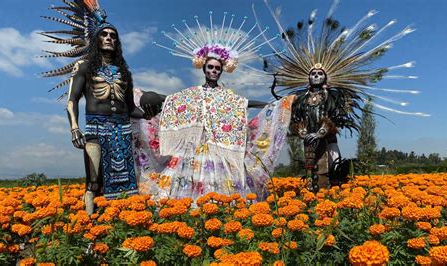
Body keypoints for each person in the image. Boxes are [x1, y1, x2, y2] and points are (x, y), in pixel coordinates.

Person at [258, 2, 426, 191]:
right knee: (309, 169)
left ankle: (325, 195)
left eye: (319, 74)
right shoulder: (302, 98)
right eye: (313, 74)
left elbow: (337, 115)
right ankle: (311, 195)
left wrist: (322, 131)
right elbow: (294, 114)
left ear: (326, 78)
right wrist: (302, 130)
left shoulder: (332, 97)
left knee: (326, 169)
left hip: (325, 139)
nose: (315, 76)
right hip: (308, 140)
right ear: (307, 79)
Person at [134, 12, 294, 201]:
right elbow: (170, 99)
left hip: (220, 149)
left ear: (221, 71)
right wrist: (142, 94)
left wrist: (272, 104)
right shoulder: (192, 93)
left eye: (217, 68)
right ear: (203, 68)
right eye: (210, 67)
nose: (214, 71)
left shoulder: (227, 96)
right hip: (193, 150)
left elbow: (245, 102)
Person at [41, 0, 154, 214]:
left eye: (113, 35)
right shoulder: (83, 66)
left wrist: (151, 113)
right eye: (104, 34)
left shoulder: (124, 73)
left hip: (122, 132)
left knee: (128, 184)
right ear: (96, 38)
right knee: (93, 182)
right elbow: (72, 99)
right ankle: (89, 228)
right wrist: (74, 128)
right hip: (95, 131)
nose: (109, 38)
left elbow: (131, 109)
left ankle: (120, 224)